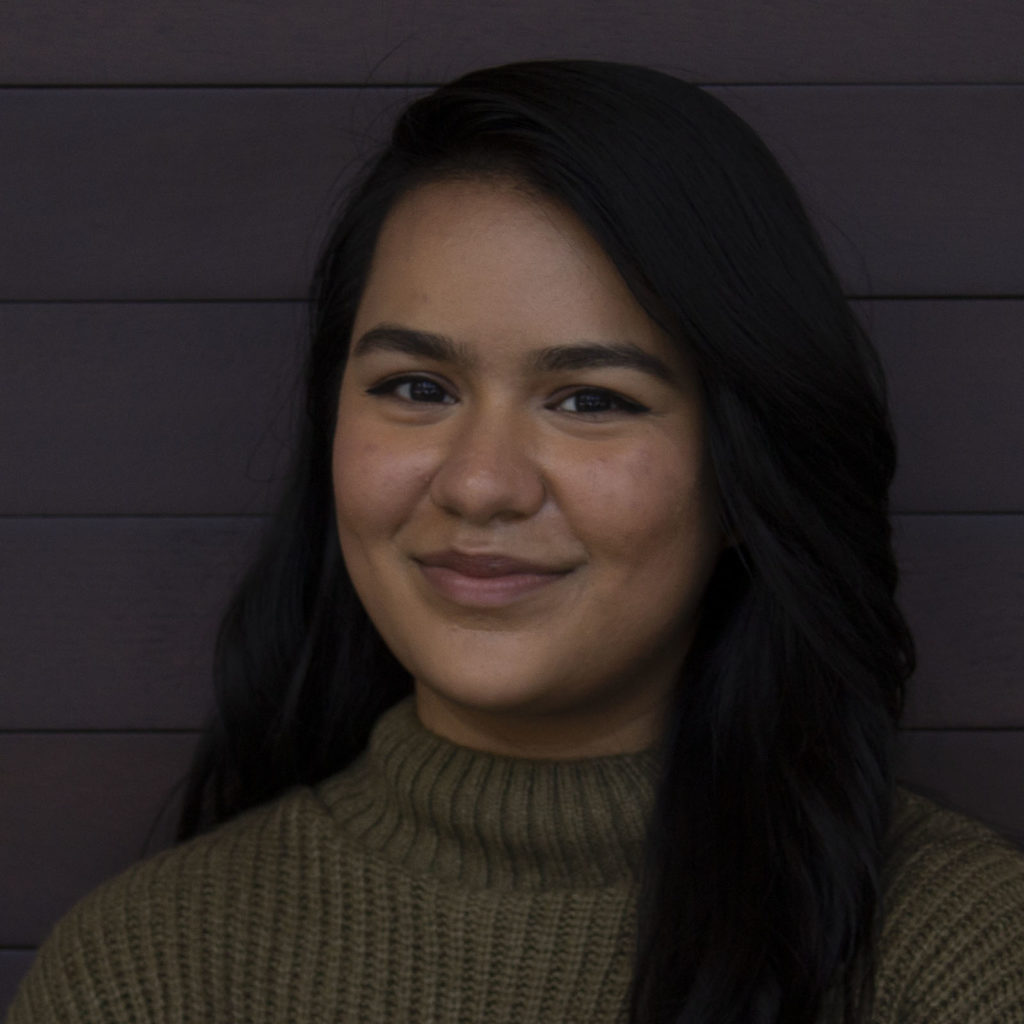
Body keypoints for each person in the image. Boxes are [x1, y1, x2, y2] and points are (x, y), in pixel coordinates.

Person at [8, 60, 1024, 1024]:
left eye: (590, 400)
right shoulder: (143, 970)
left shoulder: (962, 959)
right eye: (417, 387)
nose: (480, 482)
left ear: (745, 467)